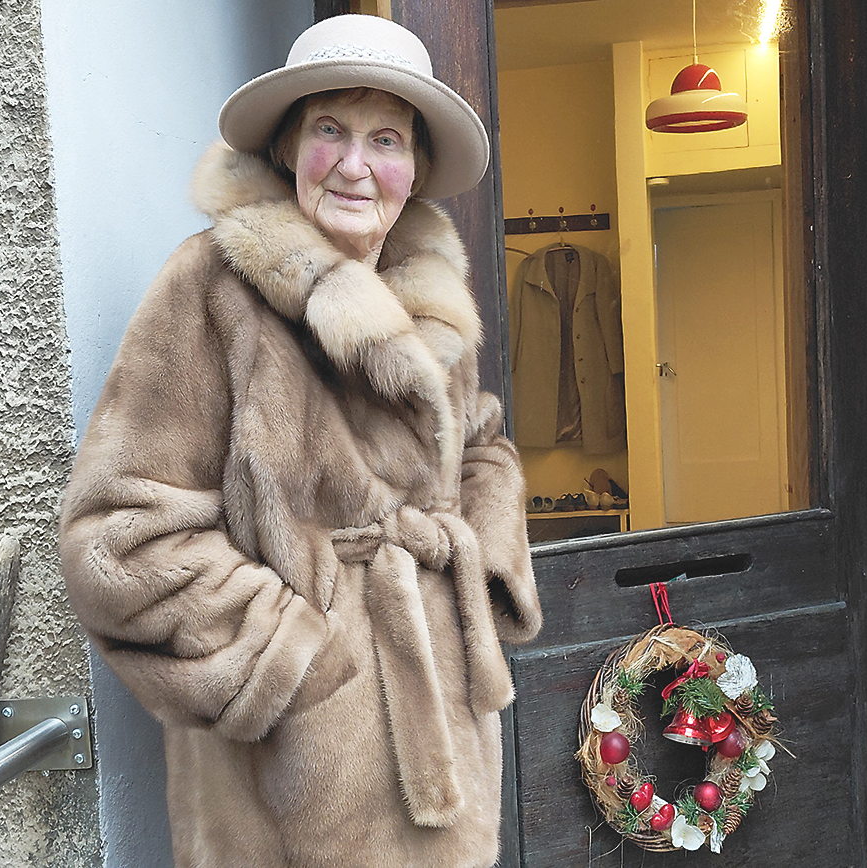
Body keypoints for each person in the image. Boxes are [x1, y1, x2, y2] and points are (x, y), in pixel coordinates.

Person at [58, 13, 542, 868]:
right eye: (330, 130)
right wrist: (295, 664)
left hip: (447, 753)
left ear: (415, 169)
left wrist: (483, 558)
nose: (356, 165)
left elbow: (481, 443)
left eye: (386, 140)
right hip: (285, 795)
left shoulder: (429, 300)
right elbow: (118, 540)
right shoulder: (210, 286)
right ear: (288, 147)